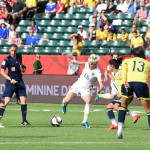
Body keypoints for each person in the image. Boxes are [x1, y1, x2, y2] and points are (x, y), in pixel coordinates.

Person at [95, 58, 141, 130]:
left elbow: (125, 79)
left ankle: (134, 115)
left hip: (125, 94)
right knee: (109, 107)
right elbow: (115, 79)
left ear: (112, 66)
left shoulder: (120, 73)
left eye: (109, 66)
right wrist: (108, 74)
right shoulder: (117, 74)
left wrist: (126, 86)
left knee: (116, 107)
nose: (108, 67)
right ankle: (114, 124)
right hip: (123, 94)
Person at [62, 54, 104, 128]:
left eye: (91, 64)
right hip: (77, 84)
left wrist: (100, 89)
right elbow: (84, 63)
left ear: (95, 64)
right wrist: (75, 63)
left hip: (86, 88)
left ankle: (85, 121)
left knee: (88, 101)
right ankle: (64, 104)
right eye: (89, 63)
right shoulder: (88, 64)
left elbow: (101, 85)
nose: (89, 65)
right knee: (66, 100)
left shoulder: (97, 72)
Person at [116, 47, 150, 139]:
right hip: (141, 84)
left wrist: (125, 82)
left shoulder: (126, 61)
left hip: (128, 83)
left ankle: (119, 131)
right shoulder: (147, 63)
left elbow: (123, 73)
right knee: (148, 110)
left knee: (123, 106)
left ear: (133, 54)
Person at [0, 44, 31, 128]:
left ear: (16, 50)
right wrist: (10, 79)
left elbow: (20, 64)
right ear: (9, 50)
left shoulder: (19, 56)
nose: (13, 52)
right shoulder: (7, 60)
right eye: (12, 50)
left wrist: (23, 67)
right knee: (6, 101)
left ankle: (24, 121)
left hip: (20, 81)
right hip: (11, 82)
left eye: (15, 50)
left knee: (23, 99)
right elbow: (2, 71)